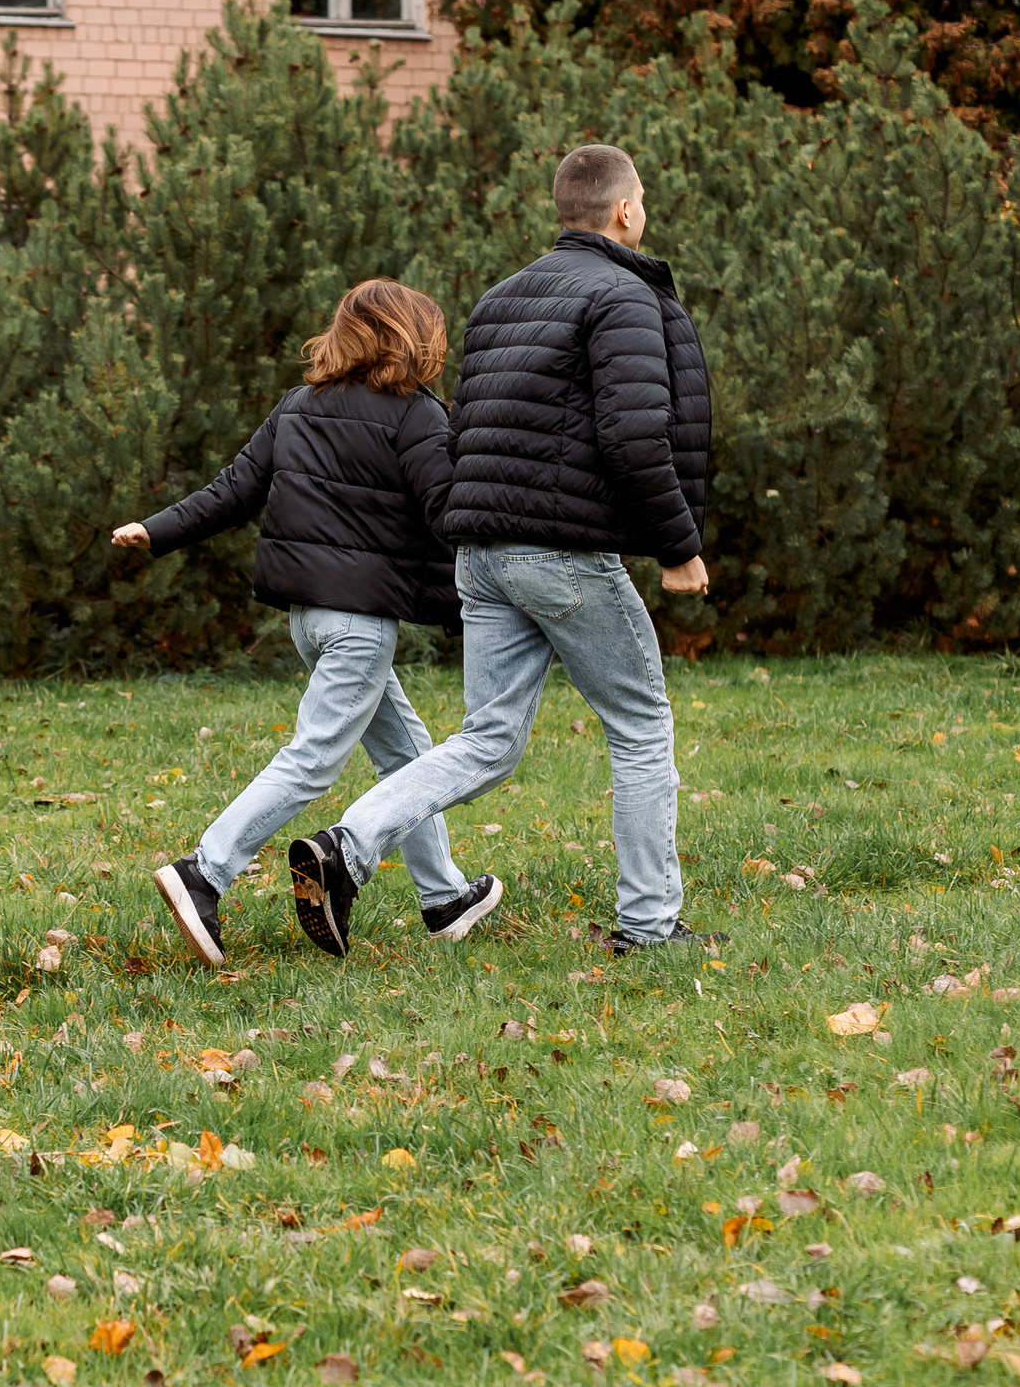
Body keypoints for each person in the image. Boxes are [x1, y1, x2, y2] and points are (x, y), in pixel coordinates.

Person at [285, 145, 721, 957]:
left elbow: (467, 429)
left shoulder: (500, 297)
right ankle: (651, 926)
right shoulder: (621, 294)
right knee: (640, 725)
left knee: (487, 739)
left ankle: (349, 841)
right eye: (644, 200)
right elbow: (632, 436)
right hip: (561, 555)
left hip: (481, 552)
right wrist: (677, 545)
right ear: (626, 210)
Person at [113, 278, 504, 966]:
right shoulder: (414, 416)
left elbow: (233, 489)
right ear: (415, 340)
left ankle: (443, 896)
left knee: (407, 755)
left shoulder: (299, 406)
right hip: (359, 623)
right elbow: (450, 515)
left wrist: (156, 527)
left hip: (309, 620)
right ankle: (206, 870)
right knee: (313, 760)